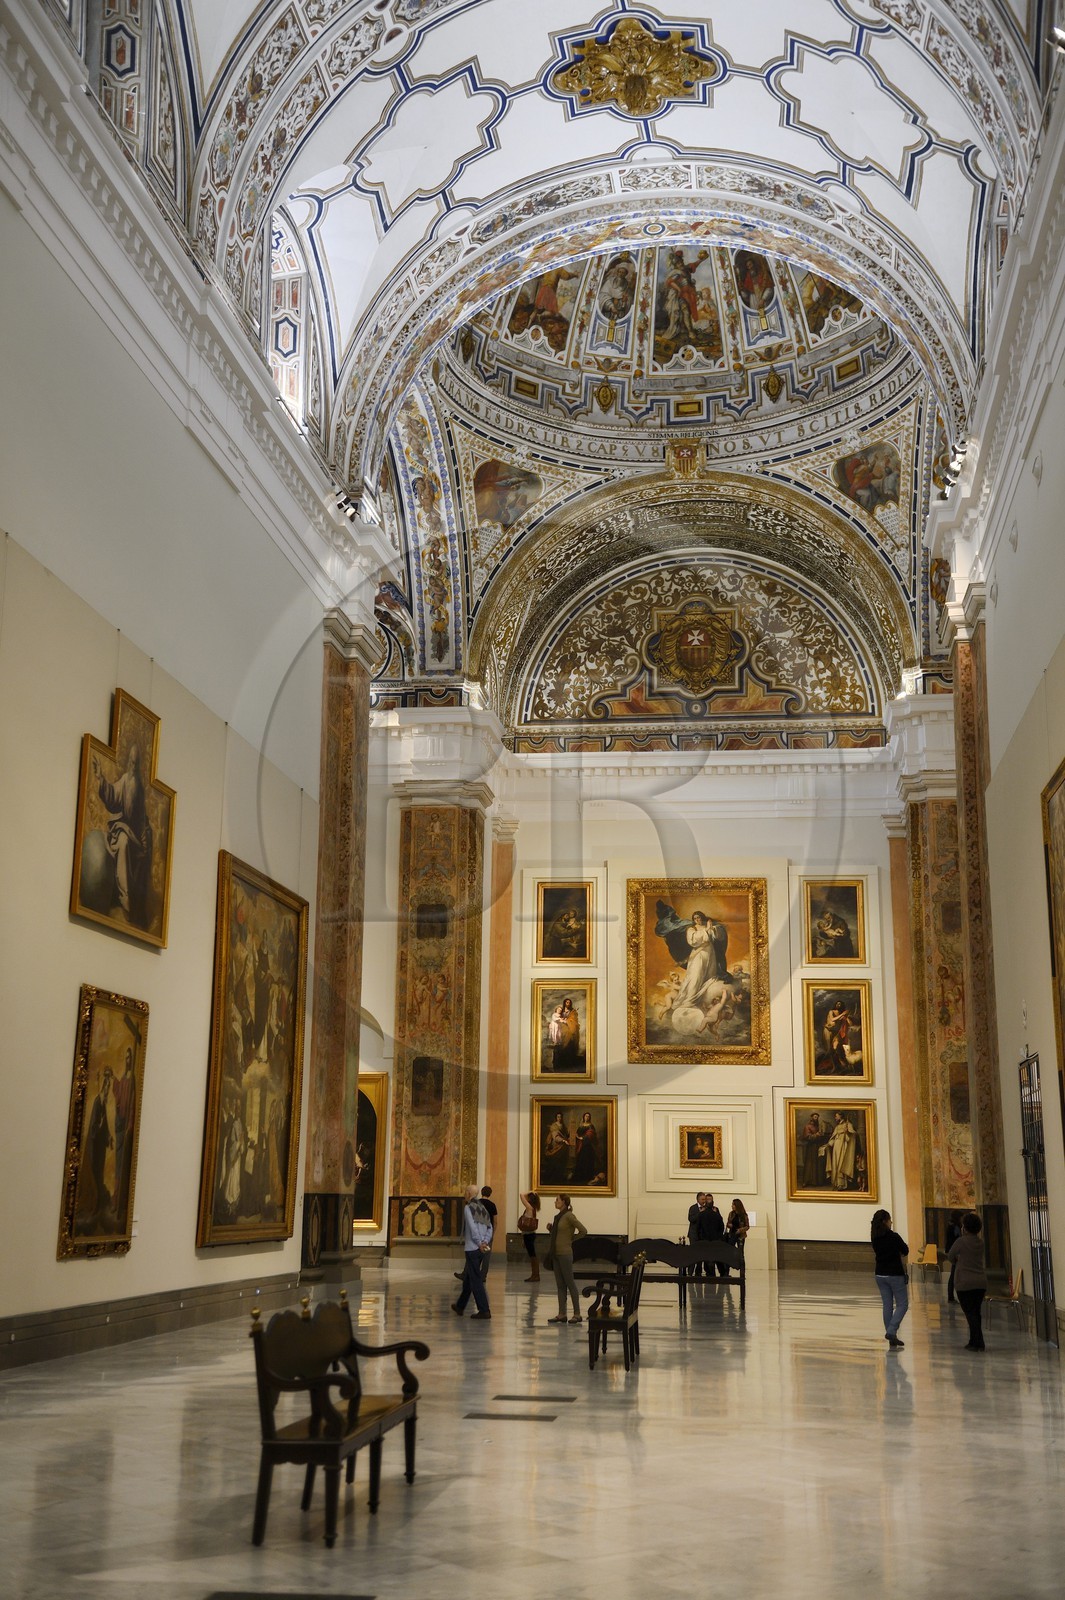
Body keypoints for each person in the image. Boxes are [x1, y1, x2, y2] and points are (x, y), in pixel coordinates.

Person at [92, 743, 152, 928]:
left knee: (143, 853)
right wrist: (100, 777)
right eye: (131, 762)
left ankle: (137, 903)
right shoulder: (125, 780)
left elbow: (141, 818)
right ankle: (124, 897)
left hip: (135, 835)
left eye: (136, 763)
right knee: (124, 842)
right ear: (128, 763)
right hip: (121, 830)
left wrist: (144, 840)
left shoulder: (139, 788)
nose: (133, 766)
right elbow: (112, 795)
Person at [544, 1192, 587, 1324]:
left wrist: (571, 1239)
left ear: (564, 1202)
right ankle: (562, 1313)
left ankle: (577, 1314)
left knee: (570, 1283)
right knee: (560, 1285)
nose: (555, 1202)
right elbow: (559, 1234)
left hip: (565, 1254)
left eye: (557, 1200)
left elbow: (583, 1230)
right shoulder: (558, 1217)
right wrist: (551, 1230)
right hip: (556, 1254)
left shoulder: (569, 1216)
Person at [451, 1185, 493, 1319]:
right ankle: (460, 1306)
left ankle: (484, 1310)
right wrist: (485, 1241)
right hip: (481, 1248)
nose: (464, 1194)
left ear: (469, 1193)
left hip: (473, 1248)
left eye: (465, 1192)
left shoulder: (468, 1207)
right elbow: (490, 1227)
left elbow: (472, 1227)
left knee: (475, 1280)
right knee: (469, 1279)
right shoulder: (482, 1208)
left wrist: (479, 1243)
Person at [947, 1212, 987, 1350]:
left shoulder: (961, 1241)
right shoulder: (980, 1242)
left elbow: (950, 1256)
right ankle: (974, 1341)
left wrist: (958, 1260)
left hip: (965, 1282)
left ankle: (978, 1342)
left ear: (965, 1227)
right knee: (976, 1312)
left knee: (970, 1313)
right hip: (980, 1282)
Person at [871, 1208, 909, 1348]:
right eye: (890, 1220)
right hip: (895, 1274)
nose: (891, 1222)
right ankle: (892, 1331)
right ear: (885, 1221)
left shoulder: (875, 1237)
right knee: (902, 1304)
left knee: (887, 1305)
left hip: (880, 1274)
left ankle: (891, 1336)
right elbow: (905, 1250)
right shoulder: (893, 1236)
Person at [824, 1110, 858, 1190]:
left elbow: (853, 1135)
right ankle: (836, 1182)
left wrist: (848, 1132)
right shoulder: (837, 1127)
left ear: (840, 1116)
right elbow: (834, 1138)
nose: (835, 1118)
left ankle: (841, 1184)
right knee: (835, 1163)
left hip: (843, 1147)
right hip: (836, 1147)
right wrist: (829, 1144)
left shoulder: (848, 1124)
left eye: (836, 1116)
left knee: (841, 1163)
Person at [548, 997, 581, 1072]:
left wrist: (568, 1021)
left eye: (569, 1002)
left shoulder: (572, 1011)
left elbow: (574, 1020)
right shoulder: (561, 1010)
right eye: (567, 1002)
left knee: (569, 1037)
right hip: (561, 1027)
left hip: (569, 1028)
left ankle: (568, 1065)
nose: (568, 1003)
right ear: (564, 1003)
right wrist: (562, 1021)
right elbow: (557, 1018)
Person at [698, 1191, 726, 1277]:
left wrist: (701, 1237)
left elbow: (698, 1228)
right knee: (717, 1257)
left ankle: (710, 1273)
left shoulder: (701, 1214)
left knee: (706, 1257)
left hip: (705, 1239)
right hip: (715, 1239)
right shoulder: (717, 1215)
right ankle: (722, 1273)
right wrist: (719, 1236)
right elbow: (721, 1226)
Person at [571, 1110, 599, 1185]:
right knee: (580, 1160)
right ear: (583, 1117)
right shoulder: (581, 1125)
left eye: (588, 1116)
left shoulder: (591, 1125)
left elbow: (591, 1134)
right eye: (586, 1116)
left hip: (587, 1146)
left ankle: (587, 1177)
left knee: (587, 1161)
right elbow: (576, 1133)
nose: (587, 1117)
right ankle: (580, 1177)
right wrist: (574, 1135)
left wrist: (582, 1138)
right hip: (581, 1146)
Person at [519, 1190, 541, 1282]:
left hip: (529, 1235)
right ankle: (535, 1274)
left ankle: (535, 1275)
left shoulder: (529, 1208)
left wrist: (530, 1191)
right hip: (529, 1235)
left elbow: (521, 1195)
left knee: (532, 1256)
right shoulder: (533, 1208)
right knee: (532, 1255)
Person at [945, 1209, 964, 1303]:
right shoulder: (954, 1227)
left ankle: (951, 1296)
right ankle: (951, 1296)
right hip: (955, 1253)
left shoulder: (952, 1226)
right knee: (953, 1275)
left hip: (953, 1252)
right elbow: (956, 1240)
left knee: (953, 1274)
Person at [687, 1192, 707, 1277]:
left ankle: (698, 1272)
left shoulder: (706, 1208)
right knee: (693, 1253)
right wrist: (700, 1213)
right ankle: (690, 1272)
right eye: (702, 1199)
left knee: (700, 1254)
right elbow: (691, 1219)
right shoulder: (693, 1208)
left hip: (702, 1235)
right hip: (694, 1235)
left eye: (704, 1199)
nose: (704, 1201)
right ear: (698, 1199)